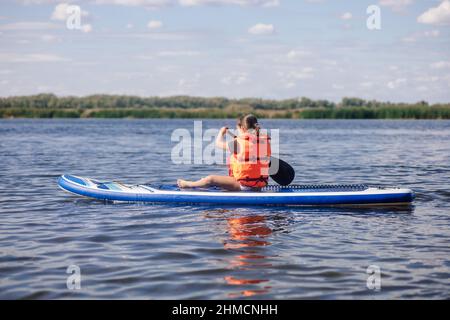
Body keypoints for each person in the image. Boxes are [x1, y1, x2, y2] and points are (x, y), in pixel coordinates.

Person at [177, 114, 271, 191]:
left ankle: (187, 184)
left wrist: (221, 133)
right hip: (260, 186)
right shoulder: (265, 141)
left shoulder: (237, 143)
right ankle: (203, 182)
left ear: (242, 128)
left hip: (243, 186)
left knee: (211, 179)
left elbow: (218, 143)